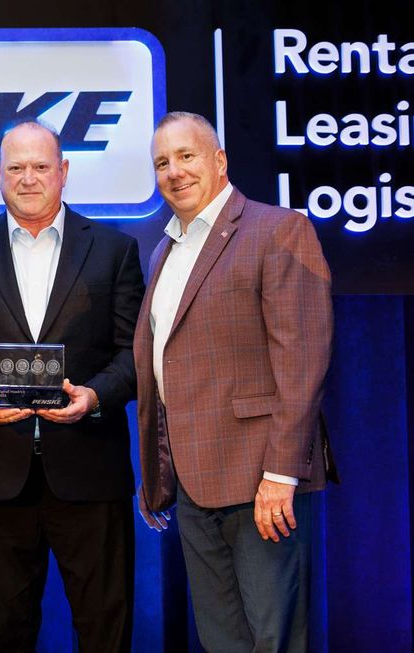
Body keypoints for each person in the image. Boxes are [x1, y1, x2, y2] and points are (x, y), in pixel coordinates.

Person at [0, 120, 144, 652]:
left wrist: (96, 397)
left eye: (41, 166)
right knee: (4, 633)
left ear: (63, 172)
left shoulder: (115, 250)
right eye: (15, 168)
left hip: (90, 473)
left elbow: (135, 354)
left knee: (105, 631)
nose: (28, 178)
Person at [135, 111, 334, 652]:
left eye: (187, 156)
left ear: (219, 160)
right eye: (162, 162)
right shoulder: (165, 250)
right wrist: (158, 467)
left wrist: (281, 474)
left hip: (260, 482)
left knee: (273, 640)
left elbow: (303, 360)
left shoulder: (278, 229)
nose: (174, 171)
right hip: (195, 483)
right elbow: (167, 366)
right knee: (221, 641)